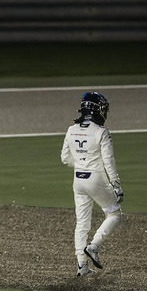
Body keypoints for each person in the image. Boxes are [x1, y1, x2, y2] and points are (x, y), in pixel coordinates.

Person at [60, 92, 123, 277]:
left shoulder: (71, 130)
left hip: (78, 180)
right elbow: (108, 161)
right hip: (96, 179)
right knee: (113, 213)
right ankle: (94, 246)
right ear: (97, 109)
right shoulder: (101, 131)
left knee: (82, 223)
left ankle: (82, 265)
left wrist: (80, 162)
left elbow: (64, 158)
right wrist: (116, 185)